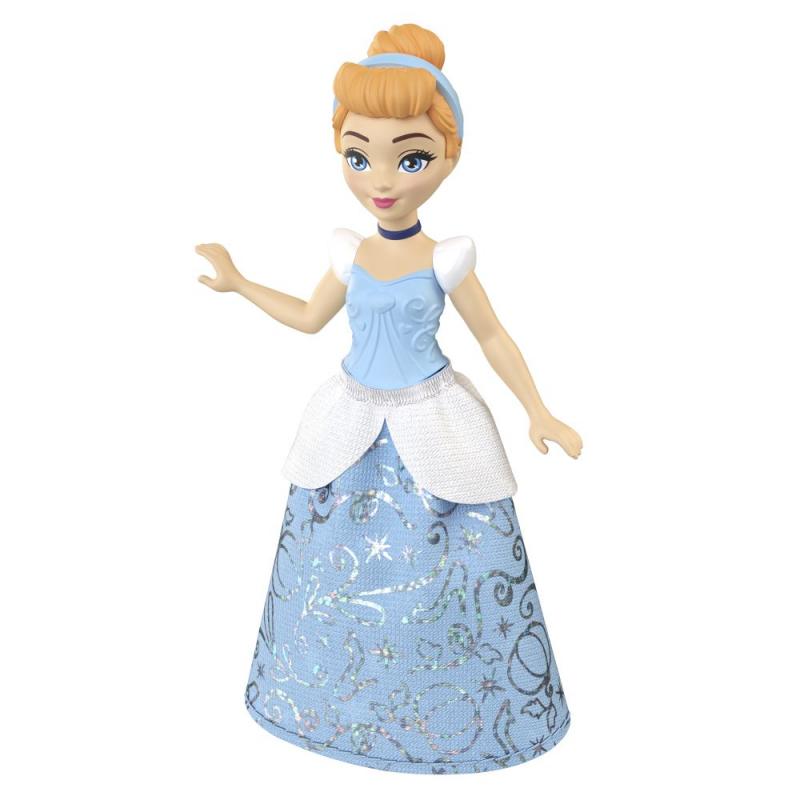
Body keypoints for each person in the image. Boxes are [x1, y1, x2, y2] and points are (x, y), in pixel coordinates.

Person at [196, 22, 582, 775]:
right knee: (326, 565)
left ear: (448, 156)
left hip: (433, 419)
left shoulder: (446, 258)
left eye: (411, 157)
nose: (383, 178)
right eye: (358, 155)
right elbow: (309, 318)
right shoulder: (351, 251)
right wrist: (240, 283)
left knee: (454, 574)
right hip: (348, 419)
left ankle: (457, 718)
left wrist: (538, 409)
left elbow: (492, 335)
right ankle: (327, 702)